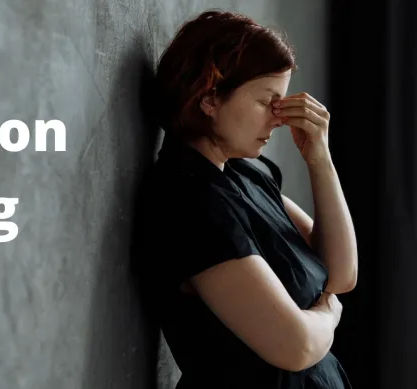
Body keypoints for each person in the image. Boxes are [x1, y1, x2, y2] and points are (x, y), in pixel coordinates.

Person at [132, 9, 358, 389]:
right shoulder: (187, 200)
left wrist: (320, 159)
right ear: (209, 98)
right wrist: (329, 313)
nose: (278, 119)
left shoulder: (246, 174)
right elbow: (296, 346)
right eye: (266, 101)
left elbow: (342, 274)